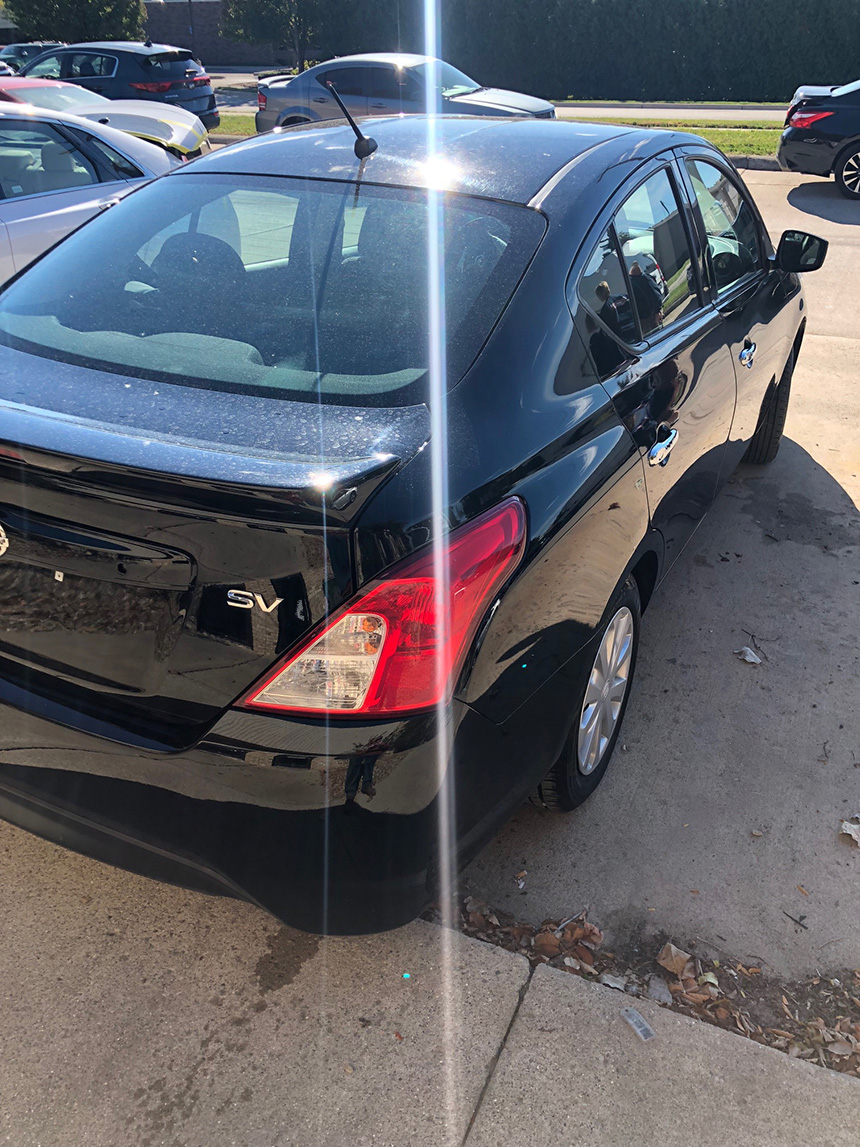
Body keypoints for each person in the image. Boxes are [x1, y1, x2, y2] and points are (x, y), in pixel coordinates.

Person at [629, 261, 664, 333]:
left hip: (650, 317)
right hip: (644, 318)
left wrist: (657, 312)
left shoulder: (645, 280)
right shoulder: (635, 282)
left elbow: (656, 296)